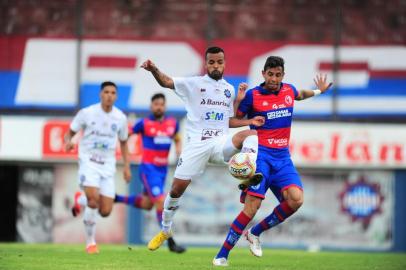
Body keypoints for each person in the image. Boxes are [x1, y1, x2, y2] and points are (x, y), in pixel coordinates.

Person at [141, 46, 265, 251]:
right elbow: (166, 82)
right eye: (212, 62)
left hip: (219, 143)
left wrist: (250, 120)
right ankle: (165, 230)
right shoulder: (194, 84)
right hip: (196, 145)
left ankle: (247, 173)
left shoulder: (229, 89)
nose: (216, 65)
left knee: (251, 134)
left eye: (219, 62)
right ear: (206, 64)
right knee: (175, 190)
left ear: (224, 63)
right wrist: (154, 69)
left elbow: (228, 121)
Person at [213, 56, 333, 266]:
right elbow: (231, 121)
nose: (274, 79)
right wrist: (239, 101)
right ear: (263, 74)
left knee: (296, 200)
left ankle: (255, 233)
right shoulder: (253, 95)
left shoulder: (288, 90)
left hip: (283, 157)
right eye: (270, 74)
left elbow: (301, 95)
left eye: (278, 75)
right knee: (251, 209)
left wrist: (318, 91)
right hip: (261, 157)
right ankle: (222, 255)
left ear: (283, 76)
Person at [114, 93, 186, 253]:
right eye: (156, 104)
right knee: (161, 201)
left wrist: (179, 149)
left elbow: (177, 138)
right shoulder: (143, 124)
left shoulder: (173, 124)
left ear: (165, 106)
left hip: (162, 171)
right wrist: (125, 162)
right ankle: (171, 242)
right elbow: (124, 136)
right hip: (148, 169)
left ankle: (116, 198)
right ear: (151, 106)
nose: (159, 107)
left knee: (148, 204)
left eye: (161, 104)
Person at [65, 81, 131, 254]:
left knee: (106, 211)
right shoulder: (87, 113)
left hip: (107, 165)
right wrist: (68, 142)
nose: (109, 95)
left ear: (116, 96)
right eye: (106, 92)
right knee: (93, 201)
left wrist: (126, 167)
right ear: (101, 94)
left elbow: (124, 143)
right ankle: (91, 243)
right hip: (88, 161)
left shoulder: (120, 118)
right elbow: (70, 133)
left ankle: (80, 199)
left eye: (113, 93)